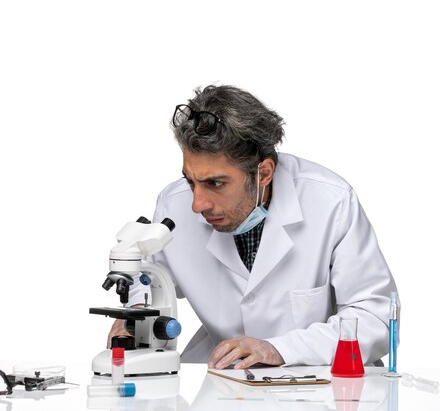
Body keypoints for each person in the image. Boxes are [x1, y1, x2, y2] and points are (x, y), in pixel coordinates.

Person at [109, 84, 398, 369]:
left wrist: (279, 349)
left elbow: (374, 318)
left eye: (216, 183)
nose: (198, 204)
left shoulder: (331, 202)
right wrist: (135, 319)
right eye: (190, 180)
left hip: (319, 380)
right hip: (223, 379)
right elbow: (149, 283)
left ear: (264, 173)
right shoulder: (173, 206)